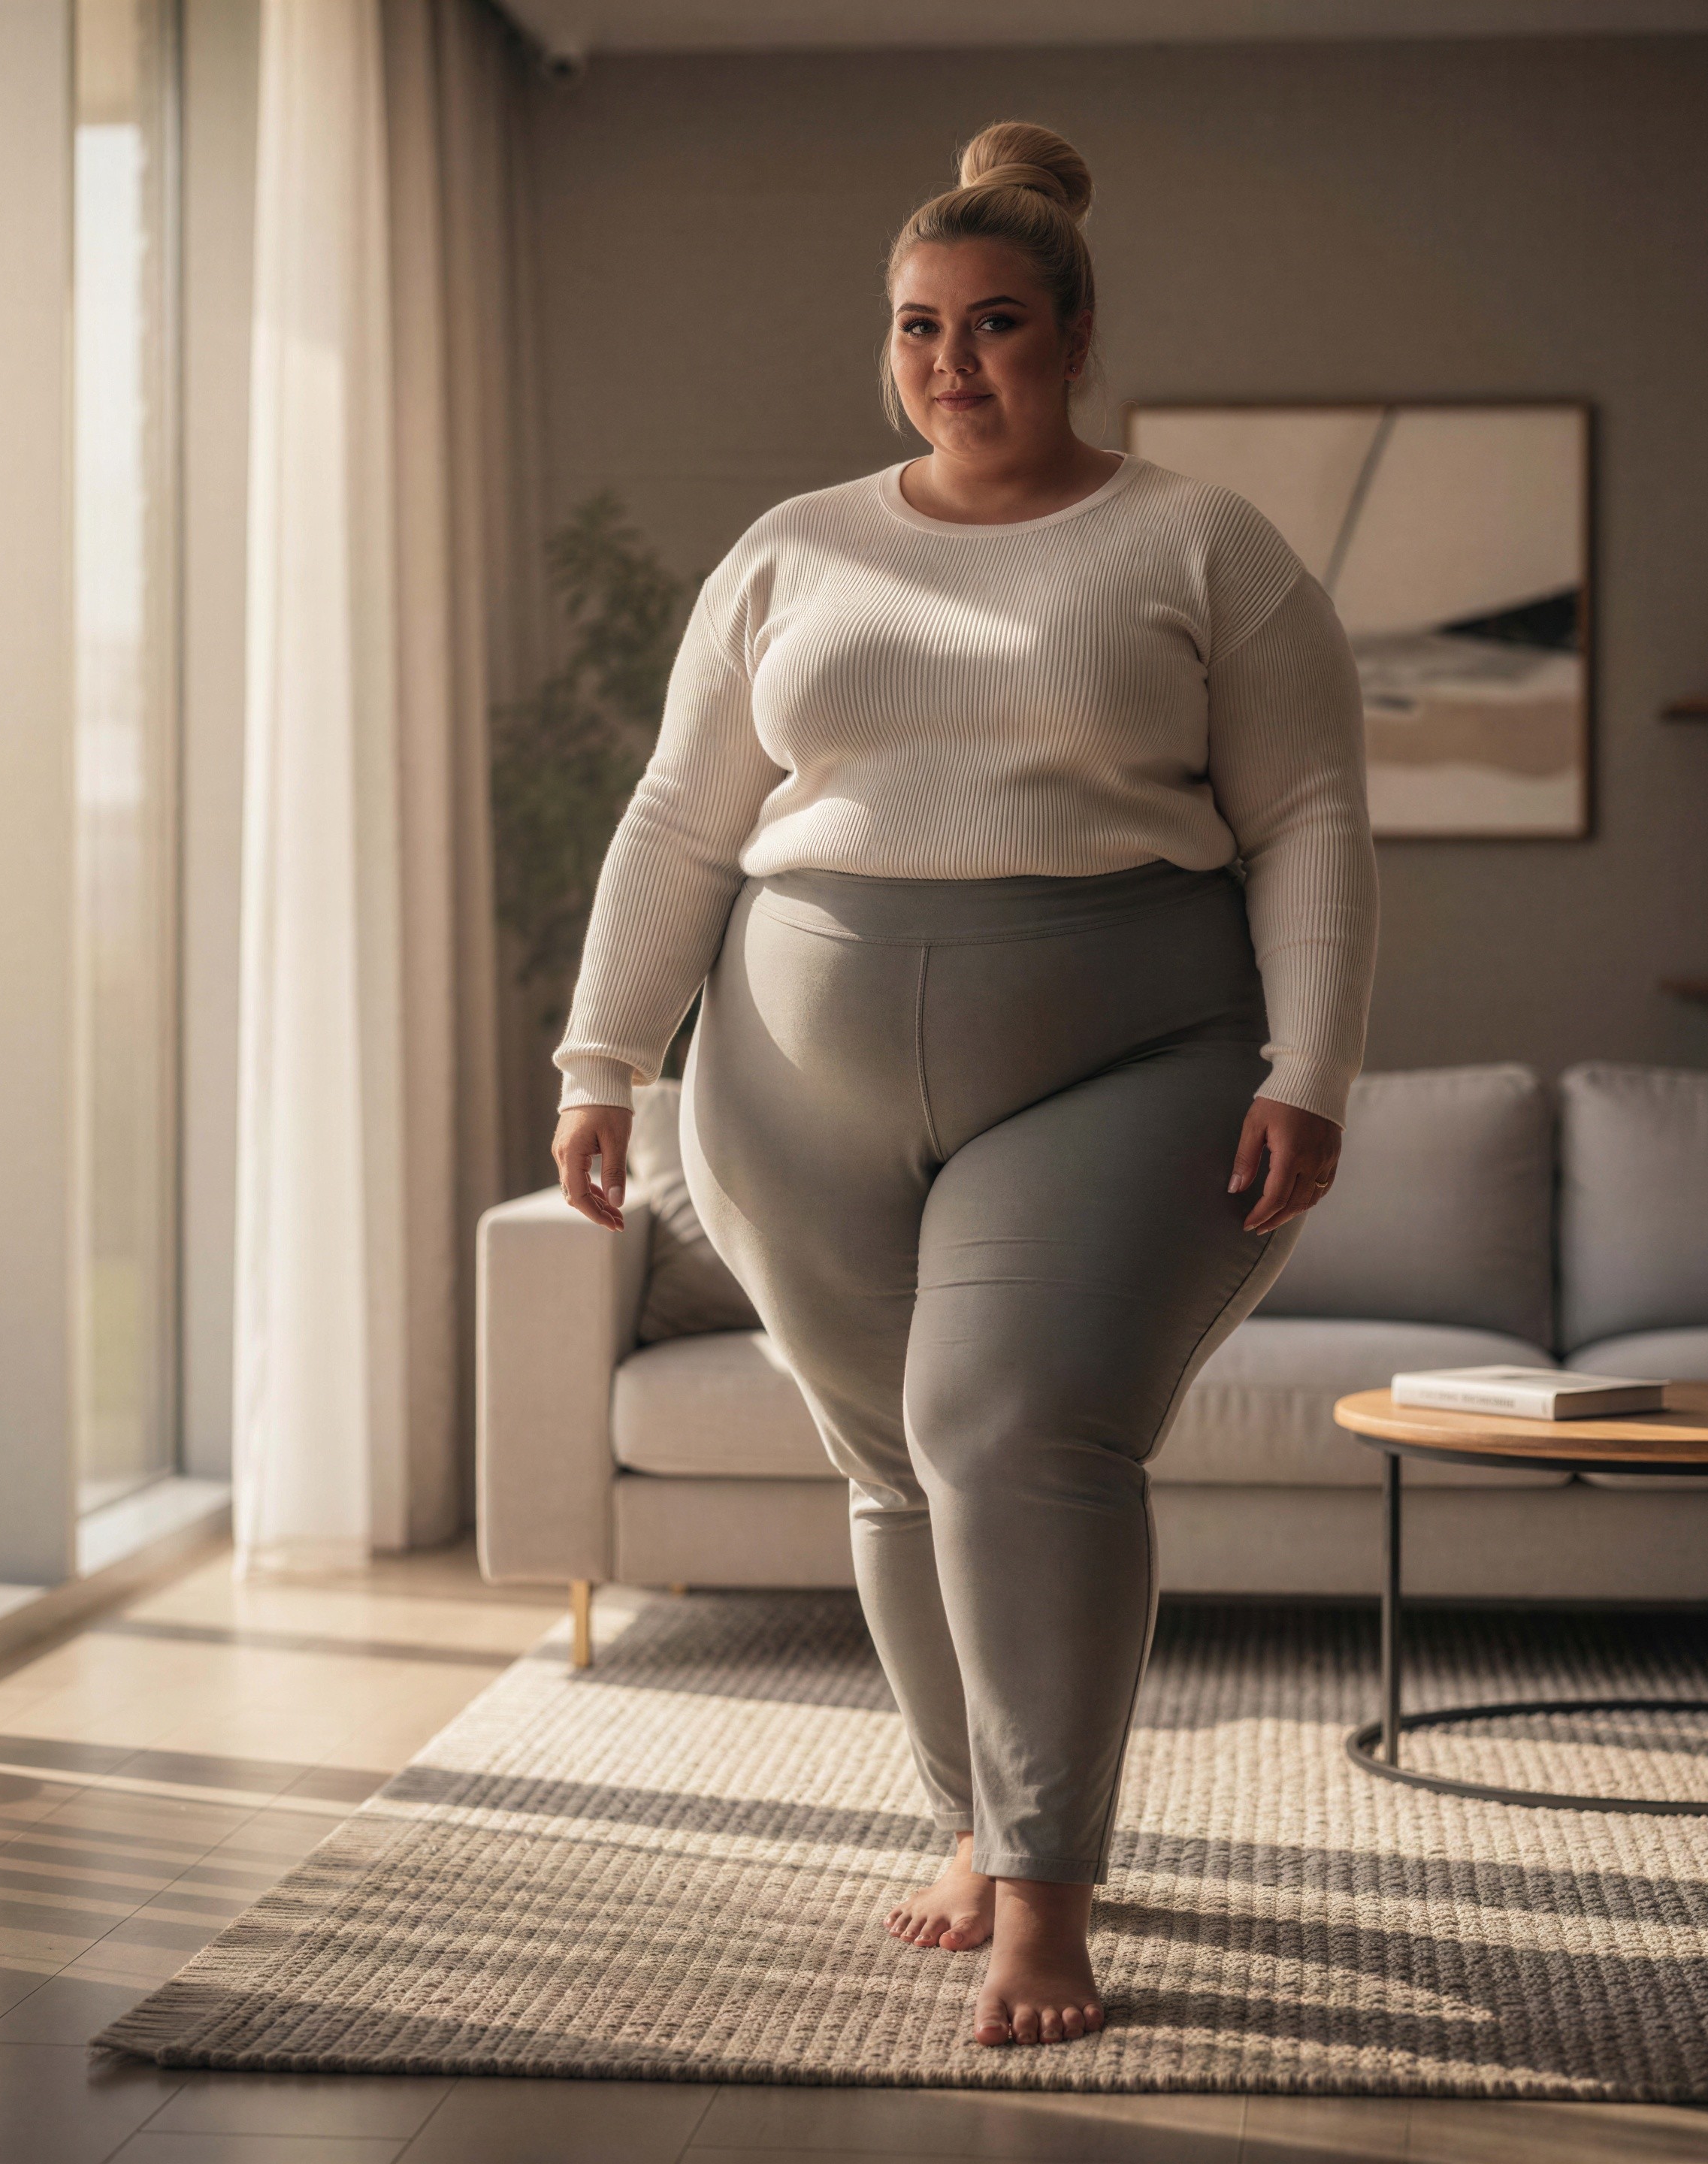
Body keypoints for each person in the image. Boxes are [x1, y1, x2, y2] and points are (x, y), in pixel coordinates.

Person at [550, 119, 1378, 2050]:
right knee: (889, 1461)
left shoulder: (1202, 546)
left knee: (1008, 1429)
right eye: (918, 329)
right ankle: (972, 1826)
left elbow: (1317, 818)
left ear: (1076, 333)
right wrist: (602, 1059)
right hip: (787, 1078)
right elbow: (683, 815)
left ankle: (1047, 1901)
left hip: (1139, 1052)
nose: (951, 364)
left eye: (994, 325)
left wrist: (1314, 1065)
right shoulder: (795, 550)